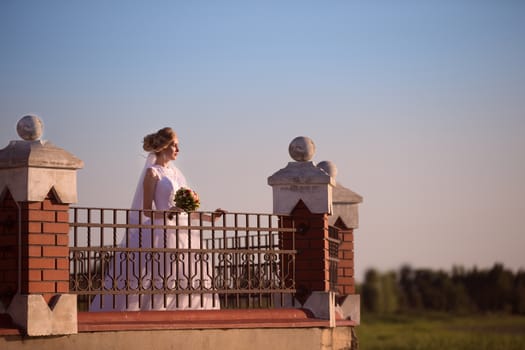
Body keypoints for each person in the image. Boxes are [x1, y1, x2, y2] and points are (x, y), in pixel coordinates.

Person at [90, 127, 221, 311]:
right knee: (155, 276)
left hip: (180, 232)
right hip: (159, 233)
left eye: (178, 145)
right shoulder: (152, 173)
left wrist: (210, 217)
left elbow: (186, 211)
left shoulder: (175, 174)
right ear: (163, 146)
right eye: (174, 145)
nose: (178, 149)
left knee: (184, 275)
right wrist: (167, 214)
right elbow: (146, 211)